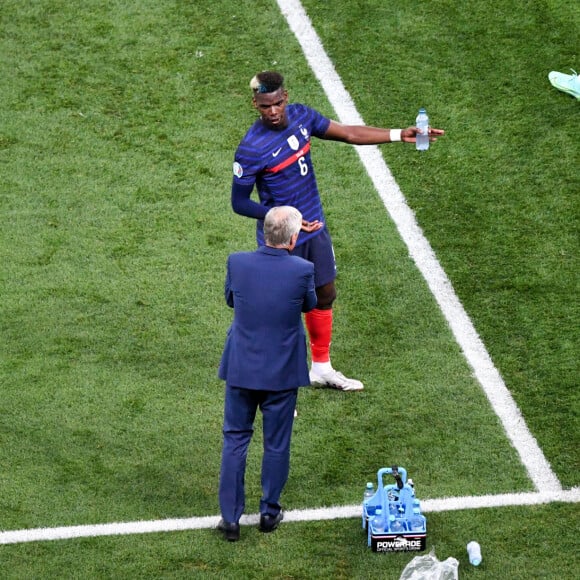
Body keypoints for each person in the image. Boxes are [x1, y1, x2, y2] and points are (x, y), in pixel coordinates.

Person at [231, 71, 444, 392]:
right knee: (280, 314)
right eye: (264, 107)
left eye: (276, 104)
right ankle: (275, 388)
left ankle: (321, 368)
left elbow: (347, 133)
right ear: (255, 105)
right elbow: (239, 202)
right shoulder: (251, 149)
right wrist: (282, 215)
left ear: (285, 96)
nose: (272, 112)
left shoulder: (302, 116)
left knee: (325, 293)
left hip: (315, 228)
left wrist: (400, 134)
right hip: (281, 239)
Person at [217, 205, 317, 542]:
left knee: (234, 441)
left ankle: (230, 520)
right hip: (281, 373)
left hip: (242, 368)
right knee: (276, 445)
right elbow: (309, 304)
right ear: (292, 239)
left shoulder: (237, 262)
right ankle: (269, 513)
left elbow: (231, 299)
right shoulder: (303, 270)